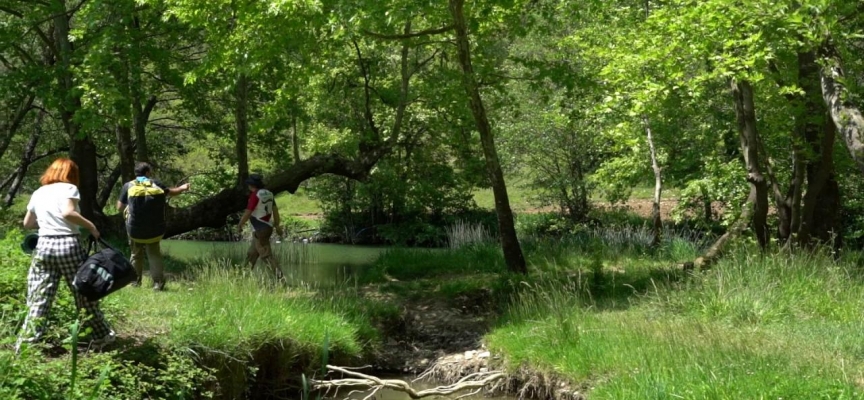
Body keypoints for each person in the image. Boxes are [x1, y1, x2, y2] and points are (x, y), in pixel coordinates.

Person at [17, 158, 114, 352]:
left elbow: (27, 224)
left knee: (39, 296)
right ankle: (101, 336)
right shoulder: (69, 188)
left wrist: (47, 221)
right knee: (84, 292)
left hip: (43, 246)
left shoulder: (38, 192)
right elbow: (68, 213)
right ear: (71, 174)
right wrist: (91, 226)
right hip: (67, 244)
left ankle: (27, 344)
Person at [117, 162, 189, 291]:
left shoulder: (128, 186)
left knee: (135, 254)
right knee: (154, 254)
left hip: (135, 230)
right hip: (155, 230)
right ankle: (158, 284)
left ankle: (135, 282)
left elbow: (119, 208)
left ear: (136, 173)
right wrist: (183, 188)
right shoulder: (156, 184)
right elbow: (172, 192)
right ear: (148, 173)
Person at [237, 174, 284, 279]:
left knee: (266, 256)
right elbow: (275, 211)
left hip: (260, 230)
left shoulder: (255, 195)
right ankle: (240, 279)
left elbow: (248, 212)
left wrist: (240, 224)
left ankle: (281, 280)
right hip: (265, 228)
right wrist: (277, 225)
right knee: (251, 254)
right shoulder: (269, 194)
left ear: (251, 185)